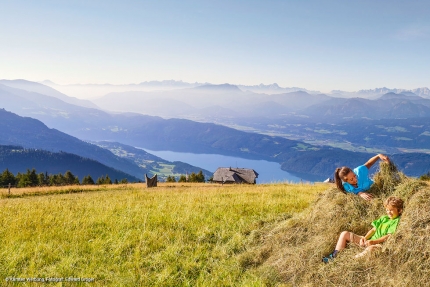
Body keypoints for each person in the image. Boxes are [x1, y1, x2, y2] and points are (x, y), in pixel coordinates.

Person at [322, 196, 403, 263]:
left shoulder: (396, 220)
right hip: (369, 241)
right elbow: (373, 230)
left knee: (371, 249)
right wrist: (365, 238)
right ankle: (334, 255)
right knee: (344, 233)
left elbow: (388, 236)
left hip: (379, 244)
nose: (389, 212)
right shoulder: (384, 218)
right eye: (387, 210)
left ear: (399, 210)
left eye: (391, 210)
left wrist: (373, 242)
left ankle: (347, 261)